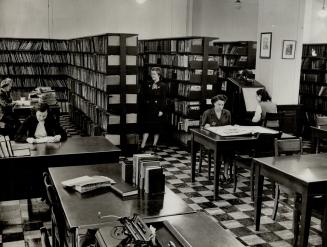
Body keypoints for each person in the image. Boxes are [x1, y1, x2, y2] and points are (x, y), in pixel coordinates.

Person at [201, 94, 231, 182]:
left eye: (222, 104)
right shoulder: (207, 113)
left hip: (223, 139)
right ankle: (217, 172)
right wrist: (205, 127)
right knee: (220, 150)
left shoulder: (227, 113)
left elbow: (229, 126)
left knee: (229, 150)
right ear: (214, 103)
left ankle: (225, 173)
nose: (221, 107)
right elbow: (202, 127)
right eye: (219, 104)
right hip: (210, 140)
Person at [139, 67, 167, 151]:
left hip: (157, 109)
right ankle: (142, 145)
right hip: (148, 109)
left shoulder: (163, 85)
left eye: (154, 74)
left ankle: (154, 145)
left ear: (159, 74)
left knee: (157, 128)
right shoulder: (148, 84)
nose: (152, 76)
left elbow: (163, 99)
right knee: (146, 127)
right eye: (151, 74)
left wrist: (161, 110)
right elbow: (144, 95)